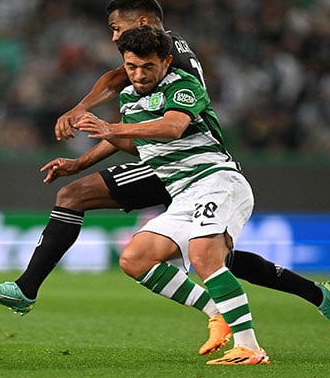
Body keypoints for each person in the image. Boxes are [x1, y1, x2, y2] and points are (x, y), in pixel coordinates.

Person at [0, 0, 330, 347]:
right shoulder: (156, 56)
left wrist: (80, 111)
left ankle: (27, 288)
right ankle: (318, 293)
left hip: (188, 165)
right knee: (215, 257)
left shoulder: (165, 58)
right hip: (170, 159)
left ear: (141, 24)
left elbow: (146, 117)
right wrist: (79, 160)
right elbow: (129, 122)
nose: (114, 38)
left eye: (117, 29)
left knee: (76, 198)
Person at [79, 25, 269, 364]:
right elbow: (138, 144)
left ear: (166, 62)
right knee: (135, 258)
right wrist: (78, 161)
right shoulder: (127, 99)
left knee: (203, 254)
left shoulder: (183, 86)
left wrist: (113, 127)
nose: (138, 74)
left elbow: (172, 127)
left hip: (217, 180)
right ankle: (217, 312)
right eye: (131, 67)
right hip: (182, 194)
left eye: (147, 67)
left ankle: (250, 348)